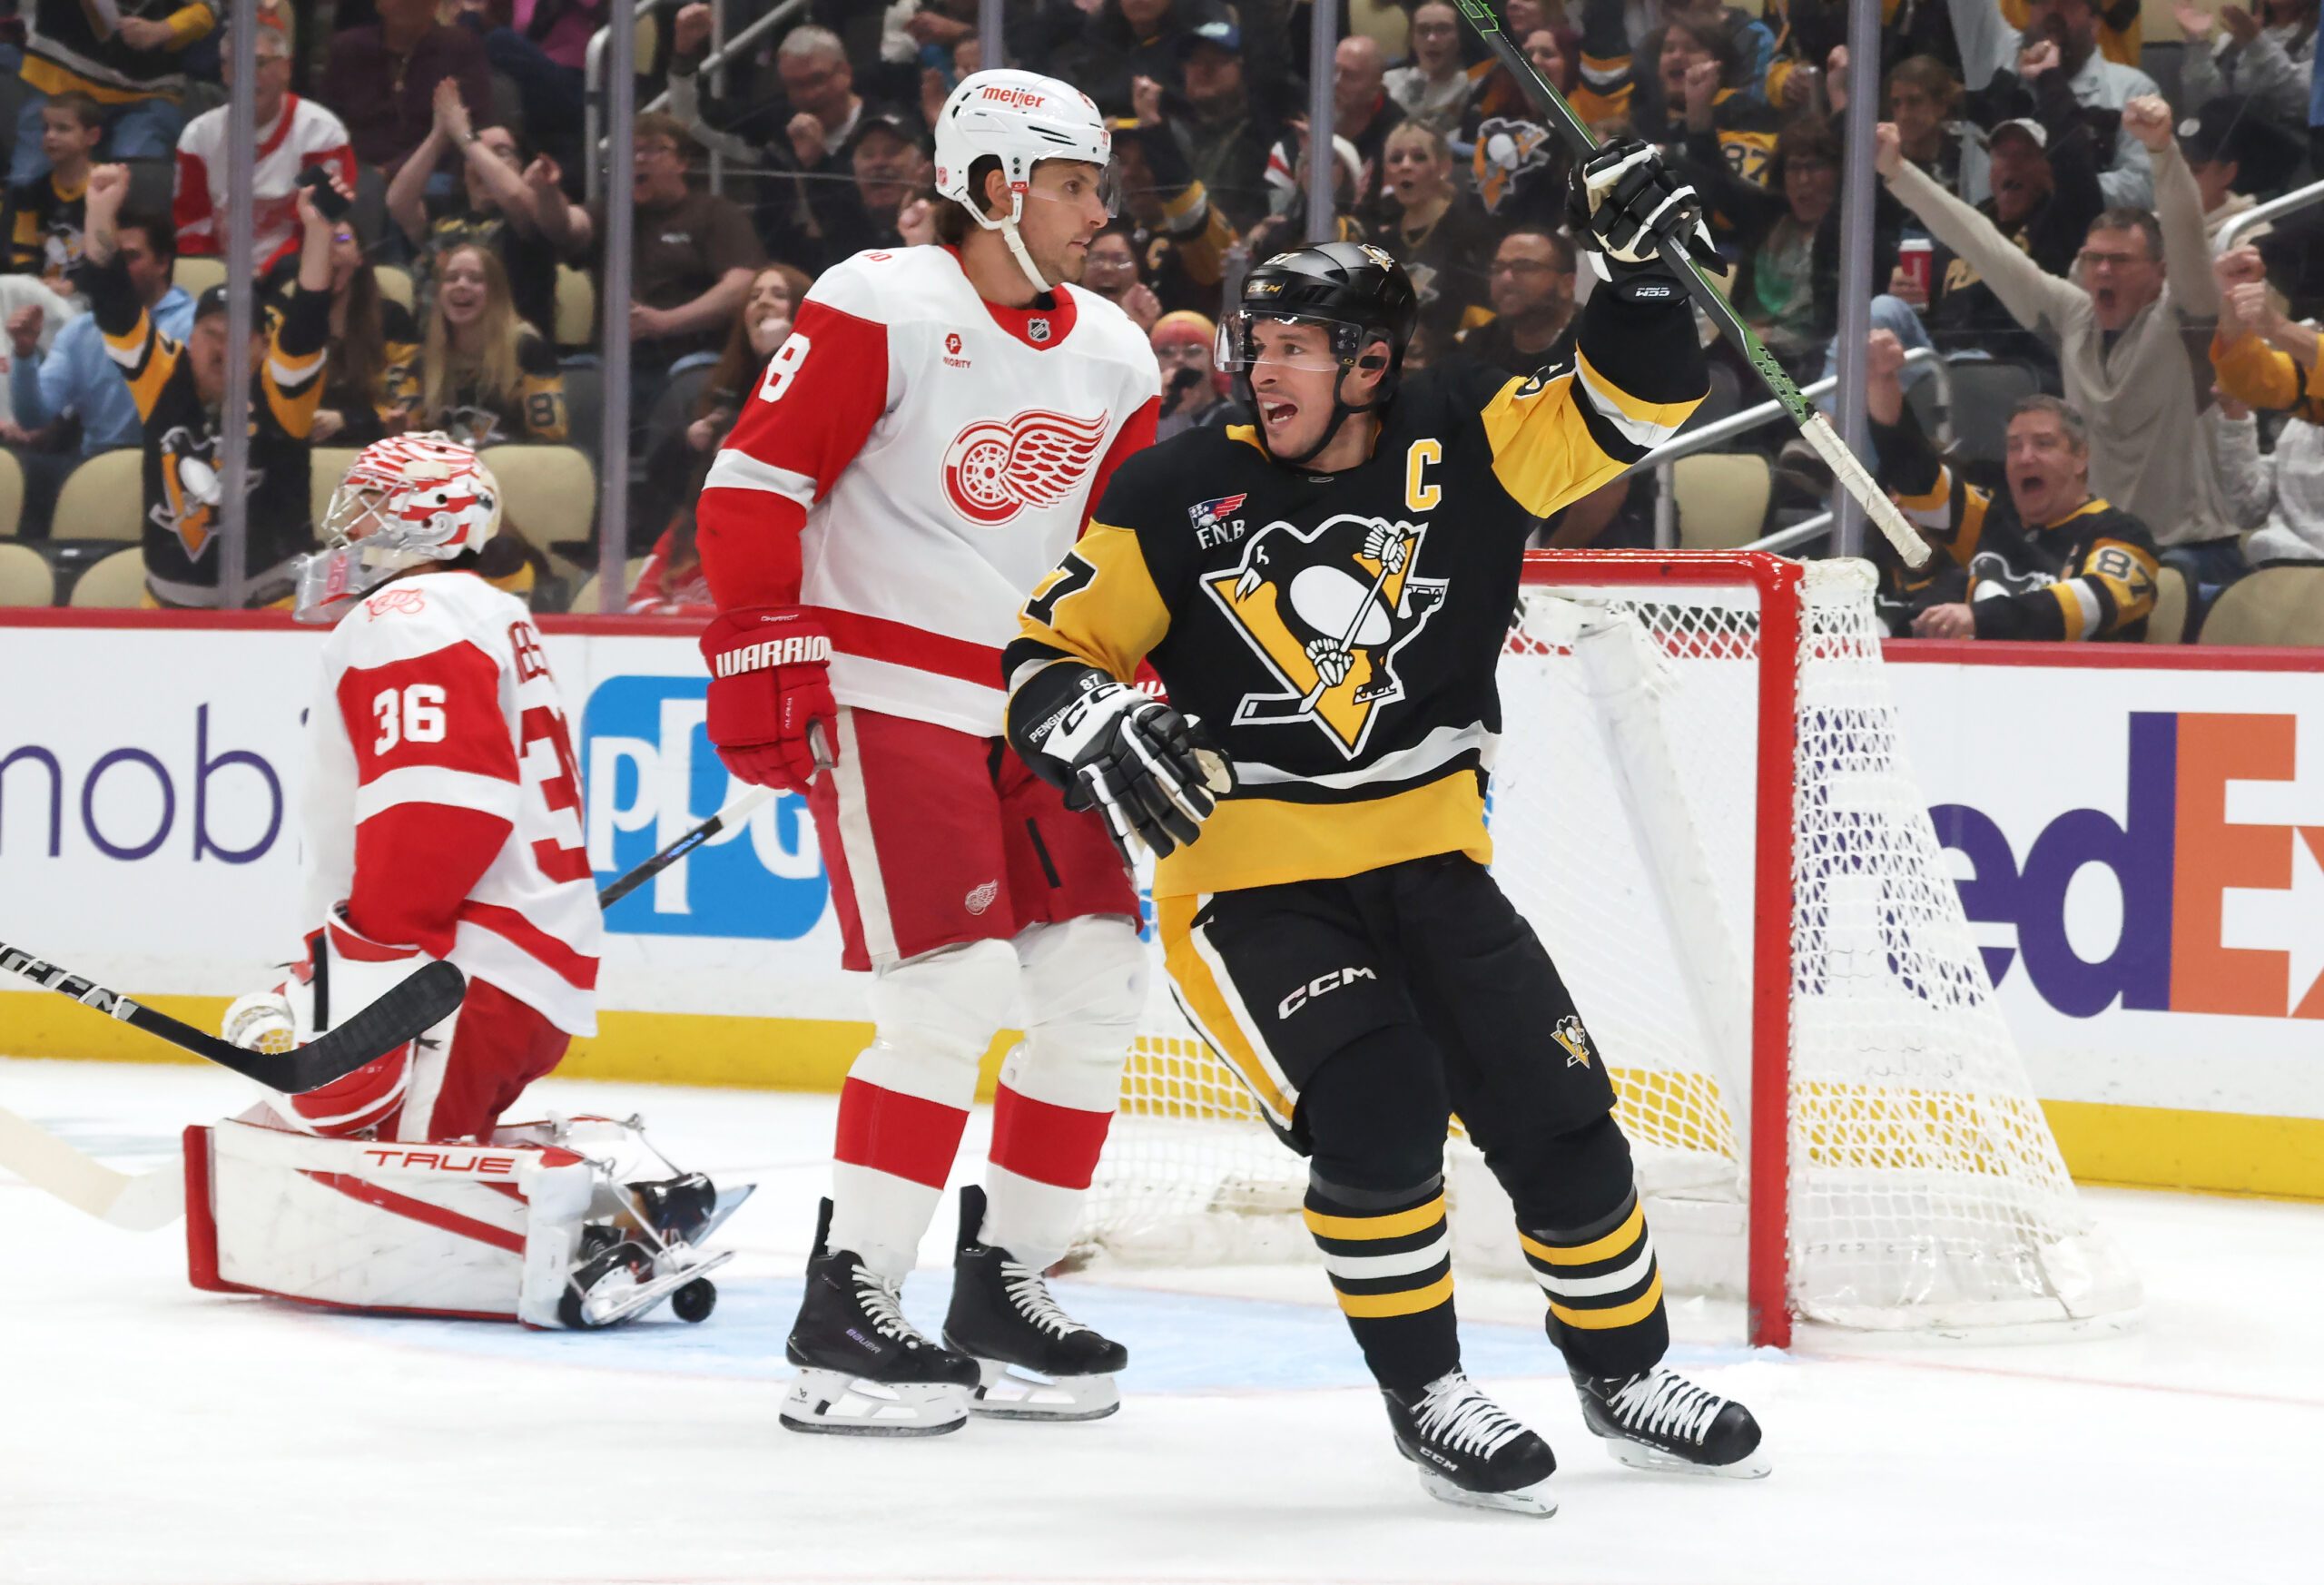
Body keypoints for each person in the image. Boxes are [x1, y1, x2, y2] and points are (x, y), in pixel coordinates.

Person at [1000, 182, 1768, 1511]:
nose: (1259, 367)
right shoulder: (1174, 486)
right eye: (1256, 340)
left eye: (1294, 345)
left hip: (1430, 860)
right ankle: (1428, 1394)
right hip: (1245, 884)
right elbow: (1044, 654)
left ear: (1370, 362)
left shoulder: (1468, 435)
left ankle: (1624, 1372)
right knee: (1378, 1120)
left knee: (1564, 1121)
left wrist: (1639, 275)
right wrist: (1093, 713)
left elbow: (1639, 399)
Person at [694, 68, 1161, 1438]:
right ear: (999, 186)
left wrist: (1136, 690)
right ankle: (848, 1301)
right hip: (890, 683)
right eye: (1075, 183)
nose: (1098, 211)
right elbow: (752, 489)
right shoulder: (877, 299)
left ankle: (1003, 1283)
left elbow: (1110, 558)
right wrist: (764, 649)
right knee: (949, 992)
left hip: (1038, 705)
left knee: (1096, 981)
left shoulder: (1121, 353)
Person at [216, 433, 598, 1140]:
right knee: (389, 1175)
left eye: (367, 505)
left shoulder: (409, 616)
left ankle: (604, 1228)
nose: (347, 527)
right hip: (507, 971)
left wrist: (369, 967)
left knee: (393, 1205)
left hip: (451, 980)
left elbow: (441, 806)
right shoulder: (479, 610)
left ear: (425, 516)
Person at [1876, 102, 2247, 586]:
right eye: (2094, 260)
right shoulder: (2074, 315)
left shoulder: (2187, 320)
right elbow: (1983, 245)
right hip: (2104, 550)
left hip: (2194, 552)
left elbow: (2187, 236)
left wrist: (2161, 150)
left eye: (2120, 260)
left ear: (2160, 274)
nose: (2104, 271)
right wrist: (1900, 173)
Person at [83, 162, 333, 607]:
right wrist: (99, 212)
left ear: (261, 346)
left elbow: (308, 322)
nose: (221, 349)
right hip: (167, 609)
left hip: (273, 606)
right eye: (211, 335)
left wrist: (319, 230)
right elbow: (112, 300)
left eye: (238, 338)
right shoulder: (163, 377)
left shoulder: (280, 393)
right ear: (190, 339)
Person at [1866, 328, 2163, 639]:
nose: (2025, 457)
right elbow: (1914, 475)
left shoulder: (2123, 534)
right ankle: (1805, 414)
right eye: (2014, 446)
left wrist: (1978, 619)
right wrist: (1883, 381)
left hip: (2079, 685)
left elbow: (2088, 604)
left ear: (2080, 458)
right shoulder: (1990, 518)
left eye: (2043, 444)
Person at [560, 113, 762, 403]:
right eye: (631, 151)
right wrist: (545, 191)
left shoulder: (715, 213)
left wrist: (665, 322)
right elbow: (565, 225)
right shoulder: (611, 212)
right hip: (618, 364)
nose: (640, 159)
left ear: (682, 162)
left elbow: (741, 283)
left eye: (655, 149)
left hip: (691, 362)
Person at [173, 7, 355, 274]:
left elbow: (320, 224)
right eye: (236, 64)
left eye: (259, 63)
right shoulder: (197, 137)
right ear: (224, 72)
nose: (247, 75)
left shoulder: (322, 134)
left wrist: (264, 274)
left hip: (296, 272)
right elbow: (192, 227)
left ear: (286, 68)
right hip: (221, 277)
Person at [387, 80, 573, 340]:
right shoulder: (444, 212)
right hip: (436, 357)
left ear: (520, 165)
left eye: (502, 153)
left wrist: (465, 136)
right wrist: (440, 134)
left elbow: (515, 196)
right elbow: (398, 203)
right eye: (477, 155)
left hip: (511, 358)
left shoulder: (529, 214)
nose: (484, 161)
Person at [5, 209, 188, 460]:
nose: (119, 269)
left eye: (131, 257)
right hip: (93, 470)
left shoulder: (195, 325)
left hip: (170, 467)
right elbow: (33, 418)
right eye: (113, 259)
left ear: (162, 263)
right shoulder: (80, 332)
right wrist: (24, 354)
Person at [1947, 0, 2162, 210]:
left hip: (2084, 239)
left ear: (2094, 22)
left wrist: (2052, 182)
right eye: (2042, 1)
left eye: (2068, 3)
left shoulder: (2130, 90)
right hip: (1986, 237)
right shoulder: (1994, 59)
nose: (2053, 9)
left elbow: (2144, 188)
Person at [13, 0, 211, 185]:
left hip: (146, 92)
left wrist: (165, 29)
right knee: (29, 177)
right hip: (58, 80)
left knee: (137, 181)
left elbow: (211, 7)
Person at [2210, 244, 2324, 563]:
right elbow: (2248, 509)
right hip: (2276, 574)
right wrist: (2234, 307)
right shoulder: (2303, 421)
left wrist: (2277, 326)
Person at [283, 217, 420, 448]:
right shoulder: (285, 321)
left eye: (342, 239)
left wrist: (346, 420)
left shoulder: (392, 319)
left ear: (360, 257)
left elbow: (407, 406)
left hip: (372, 451)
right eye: (320, 243)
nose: (330, 250)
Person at [411, 243, 564, 448]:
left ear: (496, 292)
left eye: (475, 279)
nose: (461, 285)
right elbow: (408, 437)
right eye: (451, 278)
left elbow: (550, 439)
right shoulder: (424, 361)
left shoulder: (528, 350)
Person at [320, 0, 496, 175]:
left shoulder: (461, 48)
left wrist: (389, 172)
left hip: (433, 177)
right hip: (355, 174)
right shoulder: (348, 48)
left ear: (435, 5)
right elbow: (327, 122)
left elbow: (471, 126)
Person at [1371, 122, 1496, 339]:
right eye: (1396, 159)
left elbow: (1485, 315)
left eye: (1419, 157)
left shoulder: (1471, 234)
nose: (1405, 166)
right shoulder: (1381, 245)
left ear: (1444, 167)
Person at [4, 91, 102, 290]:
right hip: (42, 292)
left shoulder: (105, 188)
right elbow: (23, 250)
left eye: (62, 129)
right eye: (45, 128)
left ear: (92, 136)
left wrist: (73, 286)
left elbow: (107, 255)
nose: (50, 136)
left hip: (90, 295)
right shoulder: (31, 192)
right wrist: (34, 286)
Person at [1456, 225, 1579, 378]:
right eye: (1498, 268)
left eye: (1525, 267)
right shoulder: (1481, 343)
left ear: (1566, 284)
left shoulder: (1596, 348)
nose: (1505, 279)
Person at [2175, 0, 2318, 126]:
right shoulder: (2236, 35)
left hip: (2288, 151)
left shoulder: (2316, 39)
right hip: (2226, 149)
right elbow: (2201, 104)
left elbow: (2308, 100)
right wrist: (2196, 41)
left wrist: (2257, 43)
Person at [1386, 1, 1482, 136]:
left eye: (1443, 30)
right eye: (1423, 30)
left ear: (1460, 38)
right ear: (1412, 39)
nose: (1432, 39)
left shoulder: (1472, 85)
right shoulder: (1389, 82)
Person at [1150, 308, 1228, 438]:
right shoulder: (1143, 417)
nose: (1179, 359)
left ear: (1215, 362)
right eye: (1166, 352)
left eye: (1192, 351)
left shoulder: (1232, 421)